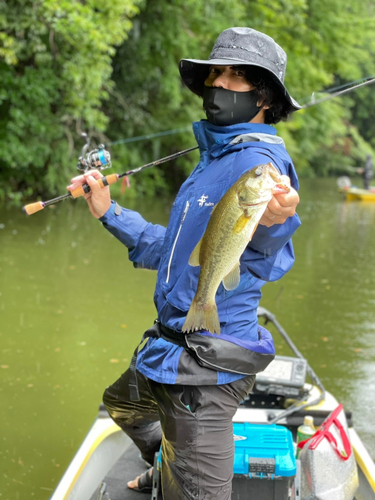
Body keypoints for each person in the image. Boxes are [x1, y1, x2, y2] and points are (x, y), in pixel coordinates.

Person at [68, 27, 301, 500]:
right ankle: (166, 462)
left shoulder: (259, 161)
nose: (219, 84)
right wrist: (109, 212)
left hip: (206, 372)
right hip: (169, 348)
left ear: (265, 97)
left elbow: (268, 246)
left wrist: (278, 218)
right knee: (124, 405)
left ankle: (183, 469)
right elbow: (172, 250)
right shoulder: (213, 160)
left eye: (236, 77)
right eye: (216, 73)